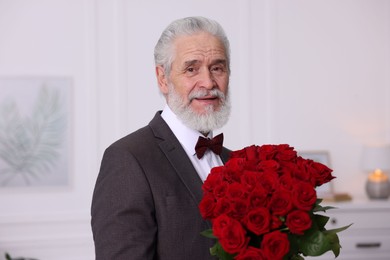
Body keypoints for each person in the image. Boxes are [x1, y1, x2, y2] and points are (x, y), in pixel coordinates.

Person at [91, 16, 232, 260]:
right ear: (163, 78)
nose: (208, 82)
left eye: (217, 67)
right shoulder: (127, 159)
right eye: (191, 69)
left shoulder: (235, 162)